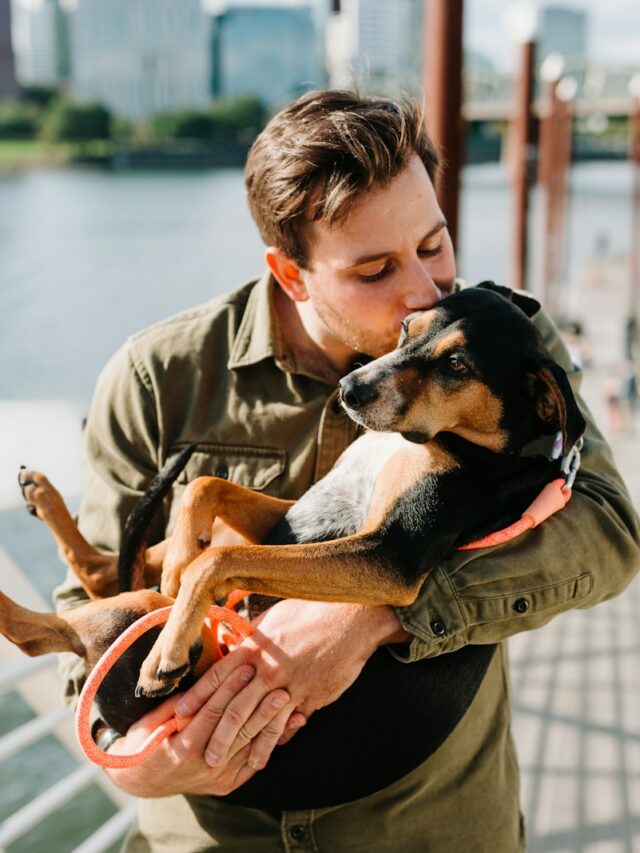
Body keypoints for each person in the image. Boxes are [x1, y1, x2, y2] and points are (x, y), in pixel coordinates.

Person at [55, 90, 640, 852]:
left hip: (433, 831)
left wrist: (371, 609)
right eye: (374, 269)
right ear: (290, 275)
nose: (424, 292)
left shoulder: (506, 340)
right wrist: (135, 758)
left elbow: (609, 529)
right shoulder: (155, 376)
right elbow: (85, 621)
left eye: (435, 245)